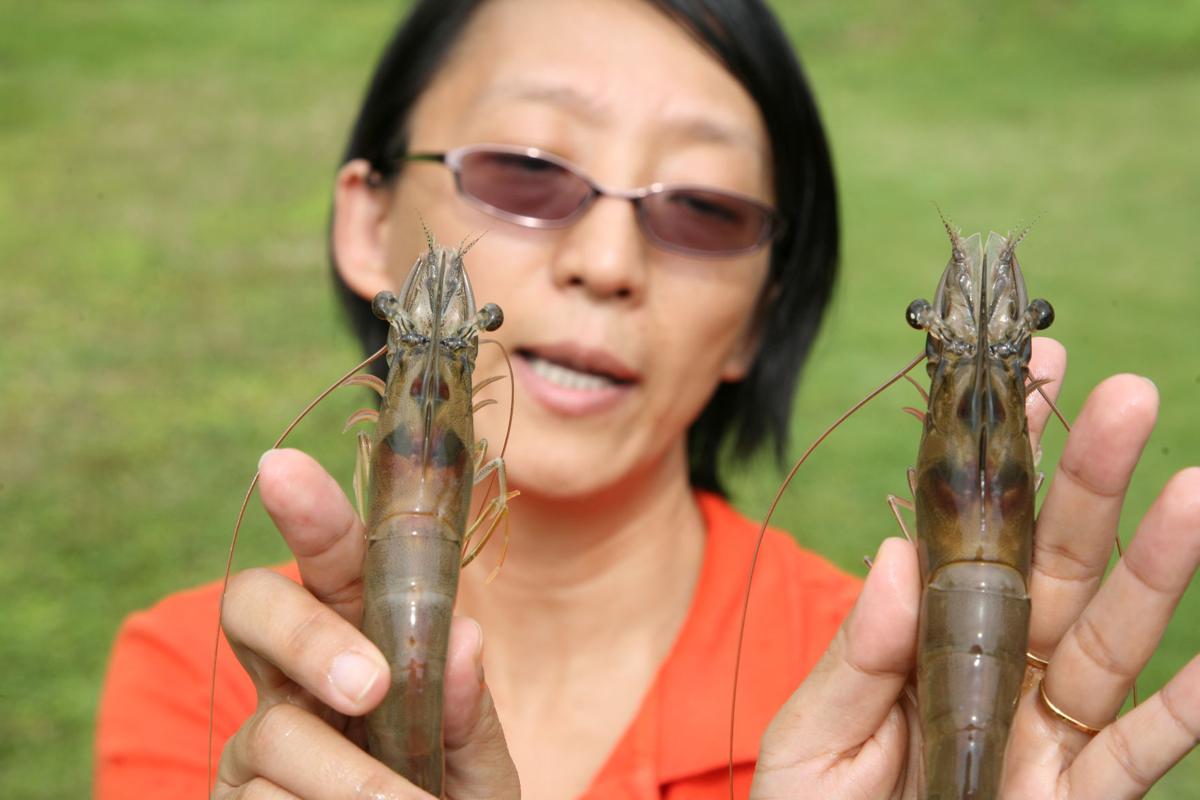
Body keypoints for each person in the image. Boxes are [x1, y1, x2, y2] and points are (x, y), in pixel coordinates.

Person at [96, 1, 1200, 798]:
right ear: (361, 219)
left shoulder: (864, 682)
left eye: (704, 209)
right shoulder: (196, 675)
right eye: (526, 171)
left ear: (766, 313)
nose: (607, 257)